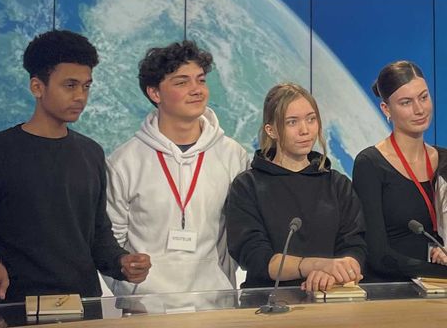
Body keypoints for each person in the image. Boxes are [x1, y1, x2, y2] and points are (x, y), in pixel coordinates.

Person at [0, 30, 151, 304]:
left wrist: (121, 262)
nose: (80, 96)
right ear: (37, 87)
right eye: (70, 85)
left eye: (86, 86)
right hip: (18, 309)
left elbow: (98, 236)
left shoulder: (91, 153)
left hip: (85, 310)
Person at [104, 40, 248, 295]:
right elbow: (110, 244)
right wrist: (132, 297)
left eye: (201, 80)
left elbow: (243, 233)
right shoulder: (124, 162)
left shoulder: (233, 155)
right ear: (155, 93)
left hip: (214, 309)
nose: (197, 90)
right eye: (182, 82)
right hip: (146, 312)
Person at [226, 83, 366, 292]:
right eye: (292, 122)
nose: (305, 130)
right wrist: (314, 266)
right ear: (271, 130)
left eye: (311, 119)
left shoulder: (337, 184)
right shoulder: (247, 186)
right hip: (267, 304)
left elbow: (356, 247)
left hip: (332, 298)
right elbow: (254, 257)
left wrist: (335, 272)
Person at [352, 60, 447, 281]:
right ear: (386, 109)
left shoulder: (445, 161)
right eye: (406, 102)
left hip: (439, 289)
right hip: (392, 290)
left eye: (423, 97)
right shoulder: (370, 164)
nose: (419, 109)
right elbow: (378, 255)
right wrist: (440, 272)